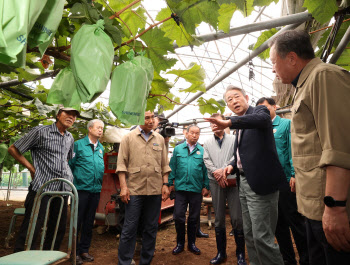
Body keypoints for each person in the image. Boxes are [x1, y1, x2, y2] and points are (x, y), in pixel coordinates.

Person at [269, 29, 350, 265]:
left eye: (274, 62)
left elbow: (338, 147)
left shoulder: (323, 77)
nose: (273, 69)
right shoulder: (305, 84)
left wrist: (335, 209)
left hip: (327, 207)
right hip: (313, 206)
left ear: (292, 58)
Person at [205, 85, 286, 265]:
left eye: (236, 97)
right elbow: (243, 154)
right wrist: (231, 166)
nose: (234, 101)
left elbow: (262, 119)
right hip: (243, 182)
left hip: (261, 183)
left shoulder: (259, 111)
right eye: (229, 100)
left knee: (262, 237)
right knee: (249, 234)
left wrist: (229, 122)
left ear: (246, 97)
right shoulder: (240, 126)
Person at [8, 107, 79, 253]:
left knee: (58, 225)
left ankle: (49, 256)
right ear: (58, 115)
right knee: (32, 224)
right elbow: (13, 149)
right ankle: (23, 257)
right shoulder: (40, 132)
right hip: (42, 186)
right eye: (68, 114)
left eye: (74, 116)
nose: (71, 118)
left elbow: (66, 159)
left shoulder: (69, 137)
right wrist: (31, 168)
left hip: (62, 188)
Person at [257, 97, 309, 265]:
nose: (262, 112)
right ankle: (288, 260)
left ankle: (306, 259)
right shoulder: (261, 129)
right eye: (259, 109)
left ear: (274, 107)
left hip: (286, 181)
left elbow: (293, 150)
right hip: (269, 184)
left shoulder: (285, 125)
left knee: (295, 221)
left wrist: (294, 174)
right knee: (278, 225)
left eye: (265, 108)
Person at [116, 110, 171, 265]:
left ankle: (145, 261)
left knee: (151, 227)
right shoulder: (128, 137)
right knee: (129, 227)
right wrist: (123, 187)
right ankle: (125, 261)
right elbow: (121, 165)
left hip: (154, 190)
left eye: (152, 117)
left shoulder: (159, 139)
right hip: (134, 190)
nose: (150, 120)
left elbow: (164, 165)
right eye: (146, 118)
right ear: (139, 119)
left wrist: (165, 184)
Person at [203, 113, 247, 265]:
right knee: (219, 218)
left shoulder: (234, 139)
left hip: (232, 180)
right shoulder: (207, 142)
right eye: (212, 124)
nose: (215, 126)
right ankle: (221, 253)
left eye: (217, 123)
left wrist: (223, 171)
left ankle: (240, 253)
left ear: (223, 123)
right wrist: (217, 173)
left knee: (237, 218)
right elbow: (206, 160)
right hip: (215, 182)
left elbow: (236, 156)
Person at [168, 125, 210, 255]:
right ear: (186, 134)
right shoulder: (178, 149)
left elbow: (206, 170)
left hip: (196, 190)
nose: (194, 135)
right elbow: (172, 167)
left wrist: (206, 186)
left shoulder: (202, 151)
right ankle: (180, 243)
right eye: (192, 133)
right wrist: (170, 183)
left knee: (193, 217)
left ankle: (192, 244)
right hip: (180, 189)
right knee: (179, 217)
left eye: (197, 133)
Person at [69, 119, 105, 264]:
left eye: (102, 128)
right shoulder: (78, 145)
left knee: (89, 222)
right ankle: (74, 252)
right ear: (90, 129)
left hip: (95, 190)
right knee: (76, 221)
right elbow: (70, 165)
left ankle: (84, 250)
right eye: (98, 128)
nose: (101, 130)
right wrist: (73, 184)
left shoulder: (101, 148)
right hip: (80, 190)